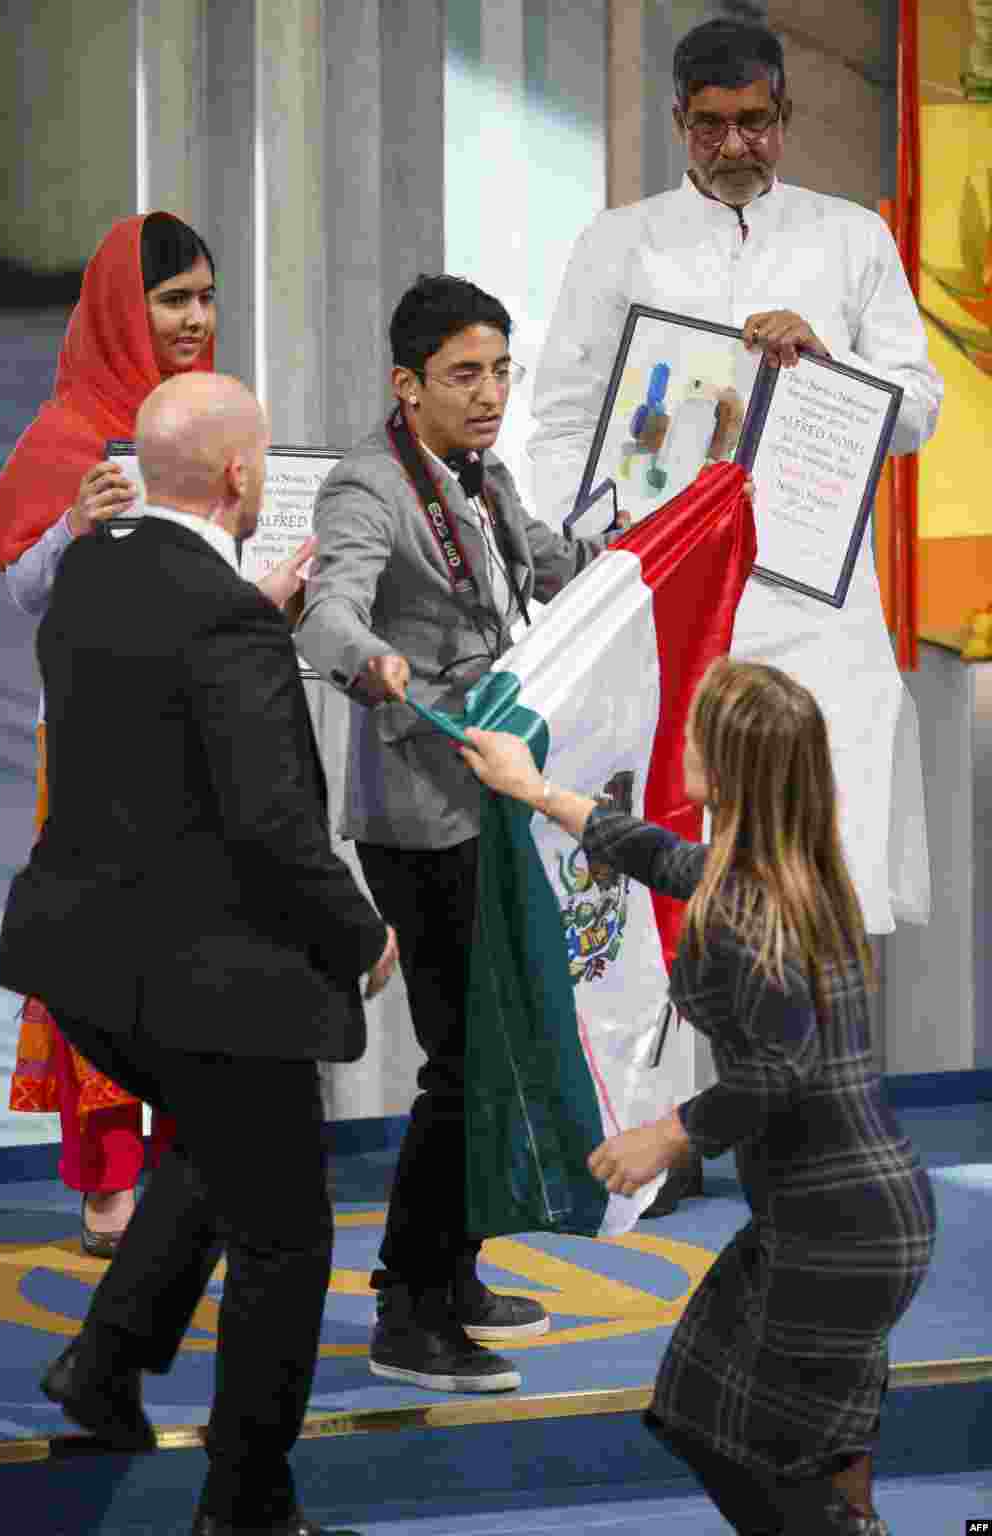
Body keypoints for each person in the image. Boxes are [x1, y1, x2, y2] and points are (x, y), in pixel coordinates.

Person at [529, 18, 944, 1208]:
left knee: (836, 857)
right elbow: (564, 418)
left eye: (752, 120)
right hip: (676, 606)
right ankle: (688, 1134)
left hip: (818, 604)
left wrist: (825, 361)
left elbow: (914, 409)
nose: (732, 143)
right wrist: (603, 549)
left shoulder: (850, 238)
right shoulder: (622, 243)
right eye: (709, 124)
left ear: (783, 116)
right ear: (677, 123)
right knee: (693, 868)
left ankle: (833, 1119)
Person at [0, 370, 395, 1536]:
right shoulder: (222, 619)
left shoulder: (98, 567)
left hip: (85, 971)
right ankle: (247, 1506)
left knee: (217, 1151)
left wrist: (249, 615)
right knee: (285, 1231)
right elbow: (272, 824)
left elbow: (160, 703)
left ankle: (105, 1367)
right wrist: (359, 934)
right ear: (242, 477)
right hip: (205, 982)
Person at [458, 659, 936, 1536]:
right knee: (770, 1427)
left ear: (724, 765)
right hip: (864, 1213)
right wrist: (534, 790)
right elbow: (660, 855)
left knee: (734, 1439)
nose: (680, 739)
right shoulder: (796, 875)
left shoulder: (745, 906)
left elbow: (776, 1071)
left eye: (694, 732)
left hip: (832, 1225)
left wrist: (667, 1136)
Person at [296, 274, 625, 1394]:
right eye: (463, 376)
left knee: (494, 1049)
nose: (489, 396)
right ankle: (405, 1306)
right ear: (407, 384)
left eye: (499, 371)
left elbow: (539, 565)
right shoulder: (366, 488)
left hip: (492, 791)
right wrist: (368, 660)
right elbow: (324, 609)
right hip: (417, 815)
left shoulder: (484, 472)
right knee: (458, 1063)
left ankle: (456, 1272)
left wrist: (643, 545)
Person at [0, 212, 306, 1256]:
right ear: (126, 307)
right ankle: (108, 1176)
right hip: (92, 744)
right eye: (173, 300)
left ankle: (191, 1161)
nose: (195, 318)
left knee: (201, 949)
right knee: (103, 955)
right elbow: (27, 595)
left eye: (206, 296)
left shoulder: (219, 421)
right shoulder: (72, 434)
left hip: (207, 734)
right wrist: (72, 523)